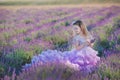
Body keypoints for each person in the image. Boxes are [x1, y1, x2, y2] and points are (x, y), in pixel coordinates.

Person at [23, 20, 100, 72]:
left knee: (90, 65)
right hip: (78, 53)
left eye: (76, 28)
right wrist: (85, 43)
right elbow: (77, 48)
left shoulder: (87, 35)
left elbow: (90, 45)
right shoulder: (76, 37)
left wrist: (90, 43)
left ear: (81, 27)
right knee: (72, 64)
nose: (75, 30)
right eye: (74, 28)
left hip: (87, 53)